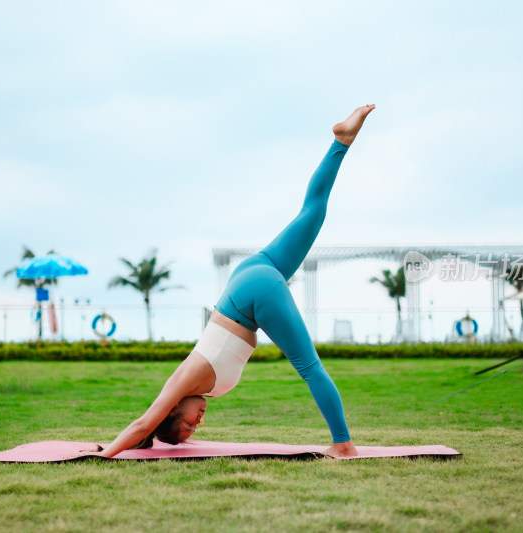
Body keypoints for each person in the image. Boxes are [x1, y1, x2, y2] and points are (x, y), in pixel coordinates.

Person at [98, 104, 375, 459]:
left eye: (185, 425)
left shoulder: (182, 381)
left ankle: (344, 445)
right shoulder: (198, 388)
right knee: (312, 212)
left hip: (253, 295)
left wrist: (104, 453)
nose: (196, 424)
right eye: (193, 431)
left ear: (170, 411)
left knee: (310, 368)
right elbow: (149, 427)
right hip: (250, 277)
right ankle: (341, 141)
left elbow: (141, 424)